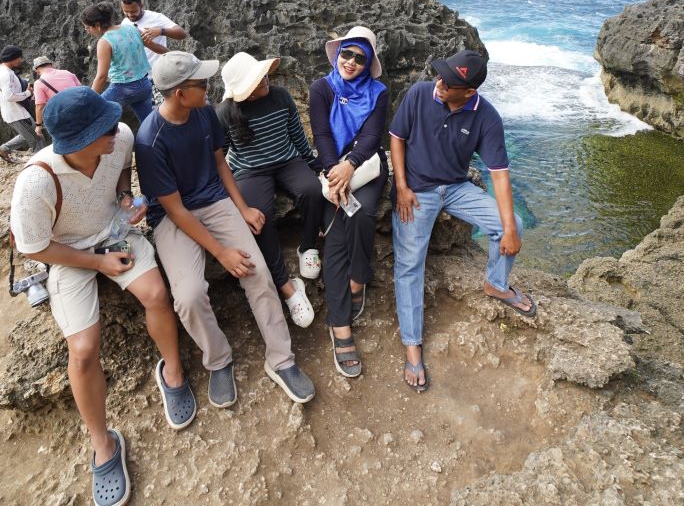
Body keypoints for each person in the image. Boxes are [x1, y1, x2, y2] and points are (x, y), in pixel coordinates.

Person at [10, 86, 196, 506]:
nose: (117, 128)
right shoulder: (38, 181)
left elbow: (119, 179)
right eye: (105, 127)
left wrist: (127, 199)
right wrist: (96, 263)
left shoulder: (121, 139)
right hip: (68, 252)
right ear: (76, 142)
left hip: (113, 232)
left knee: (156, 294)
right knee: (84, 349)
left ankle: (173, 373)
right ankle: (103, 443)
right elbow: (34, 246)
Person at [135, 51, 315, 407]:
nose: (208, 88)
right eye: (200, 84)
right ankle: (218, 360)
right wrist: (221, 252)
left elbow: (220, 163)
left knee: (259, 273)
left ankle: (281, 359)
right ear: (178, 94)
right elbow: (175, 208)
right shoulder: (149, 140)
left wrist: (243, 207)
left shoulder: (203, 113)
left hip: (216, 201)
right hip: (174, 216)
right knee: (187, 295)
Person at [390, 50, 533, 392]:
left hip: (456, 188)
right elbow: (396, 138)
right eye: (439, 76)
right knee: (410, 265)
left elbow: (499, 175)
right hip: (417, 190)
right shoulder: (419, 93)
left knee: (512, 223)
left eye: (448, 83)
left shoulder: (487, 117)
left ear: (468, 91)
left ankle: (496, 284)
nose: (439, 84)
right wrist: (401, 187)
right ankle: (412, 344)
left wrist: (510, 230)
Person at [215, 52, 320, 329]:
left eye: (262, 75)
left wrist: (312, 164)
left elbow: (296, 133)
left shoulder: (280, 96)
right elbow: (221, 155)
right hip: (250, 169)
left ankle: (307, 246)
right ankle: (287, 285)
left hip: (287, 159)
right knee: (258, 218)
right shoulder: (225, 113)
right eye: (255, 81)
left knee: (312, 190)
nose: (264, 81)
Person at [309, 27, 390, 378]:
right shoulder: (321, 88)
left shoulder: (379, 92)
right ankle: (340, 325)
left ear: (369, 62)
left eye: (360, 58)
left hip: (366, 165)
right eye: (347, 54)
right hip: (332, 166)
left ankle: (359, 278)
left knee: (363, 214)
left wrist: (349, 165)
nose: (351, 63)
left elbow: (373, 136)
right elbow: (322, 133)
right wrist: (333, 173)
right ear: (337, 53)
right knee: (338, 232)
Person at [81, 2, 164, 127]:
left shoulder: (105, 41)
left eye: (87, 28)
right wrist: (177, 55)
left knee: (92, 113)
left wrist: (90, 99)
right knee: (149, 124)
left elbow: (102, 77)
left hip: (122, 89)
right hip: (145, 85)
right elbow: (155, 47)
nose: (87, 31)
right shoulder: (132, 28)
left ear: (97, 25)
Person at [0, 45, 44, 162]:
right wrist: (27, 93)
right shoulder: (6, 74)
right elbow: (9, 96)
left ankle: (3, 149)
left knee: (30, 133)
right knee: (37, 139)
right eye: (19, 57)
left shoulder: (1, 71)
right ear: (13, 58)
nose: (20, 60)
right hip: (16, 114)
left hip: (18, 112)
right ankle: (40, 163)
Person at [121, 0, 188, 66]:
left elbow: (182, 34)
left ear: (141, 6)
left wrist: (161, 31)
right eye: (126, 12)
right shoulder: (125, 23)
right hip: (138, 72)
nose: (130, 15)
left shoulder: (156, 17)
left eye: (133, 11)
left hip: (158, 69)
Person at [32, 56, 81, 140]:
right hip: (81, 108)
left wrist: (38, 126)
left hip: (64, 116)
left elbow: (40, 106)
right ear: (51, 65)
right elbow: (80, 89)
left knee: (63, 140)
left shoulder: (39, 83)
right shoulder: (67, 72)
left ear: (37, 71)